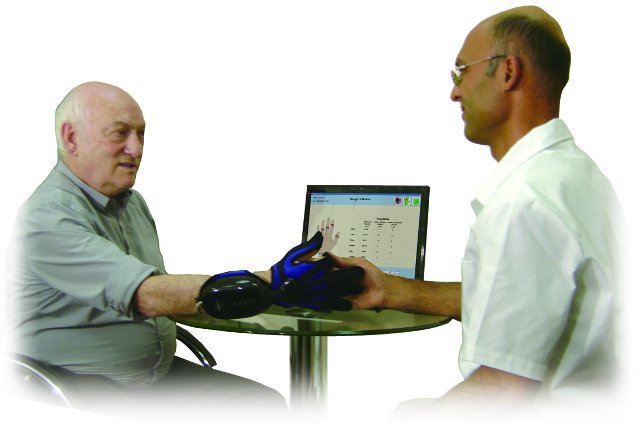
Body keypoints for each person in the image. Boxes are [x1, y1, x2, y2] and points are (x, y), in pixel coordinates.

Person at [8, 81, 361, 421]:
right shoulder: (47, 218)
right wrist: (273, 282)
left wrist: (271, 286)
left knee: (261, 405)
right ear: (71, 138)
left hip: (153, 376)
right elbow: (147, 295)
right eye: (120, 133)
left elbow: (165, 290)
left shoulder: (132, 205)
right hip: (81, 386)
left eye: (141, 134)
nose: (136, 149)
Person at [331, 5, 623, 414]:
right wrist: (393, 290)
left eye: (461, 72)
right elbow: (530, 299)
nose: (454, 93)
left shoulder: (523, 203)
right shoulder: (576, 177)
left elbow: (502, 391)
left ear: (507, 72)